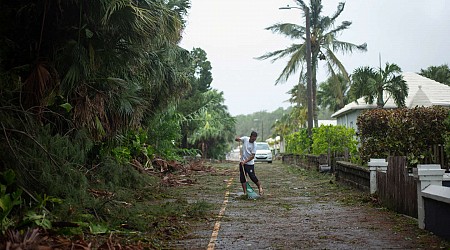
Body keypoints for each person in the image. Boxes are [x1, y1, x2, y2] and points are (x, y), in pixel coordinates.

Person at [235, 131, 263, 195]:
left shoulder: (254, 145)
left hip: (249, 163)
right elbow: (237, 139)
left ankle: (260, 187)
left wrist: (245, 162)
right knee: (243, 178)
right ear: (250, 137)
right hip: (242, 162)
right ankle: (245, 192)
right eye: (253, 139)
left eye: (255, 139)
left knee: (252, 176)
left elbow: (252, 156)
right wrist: (237, 139)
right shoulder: (245, 139)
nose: (253, 140)